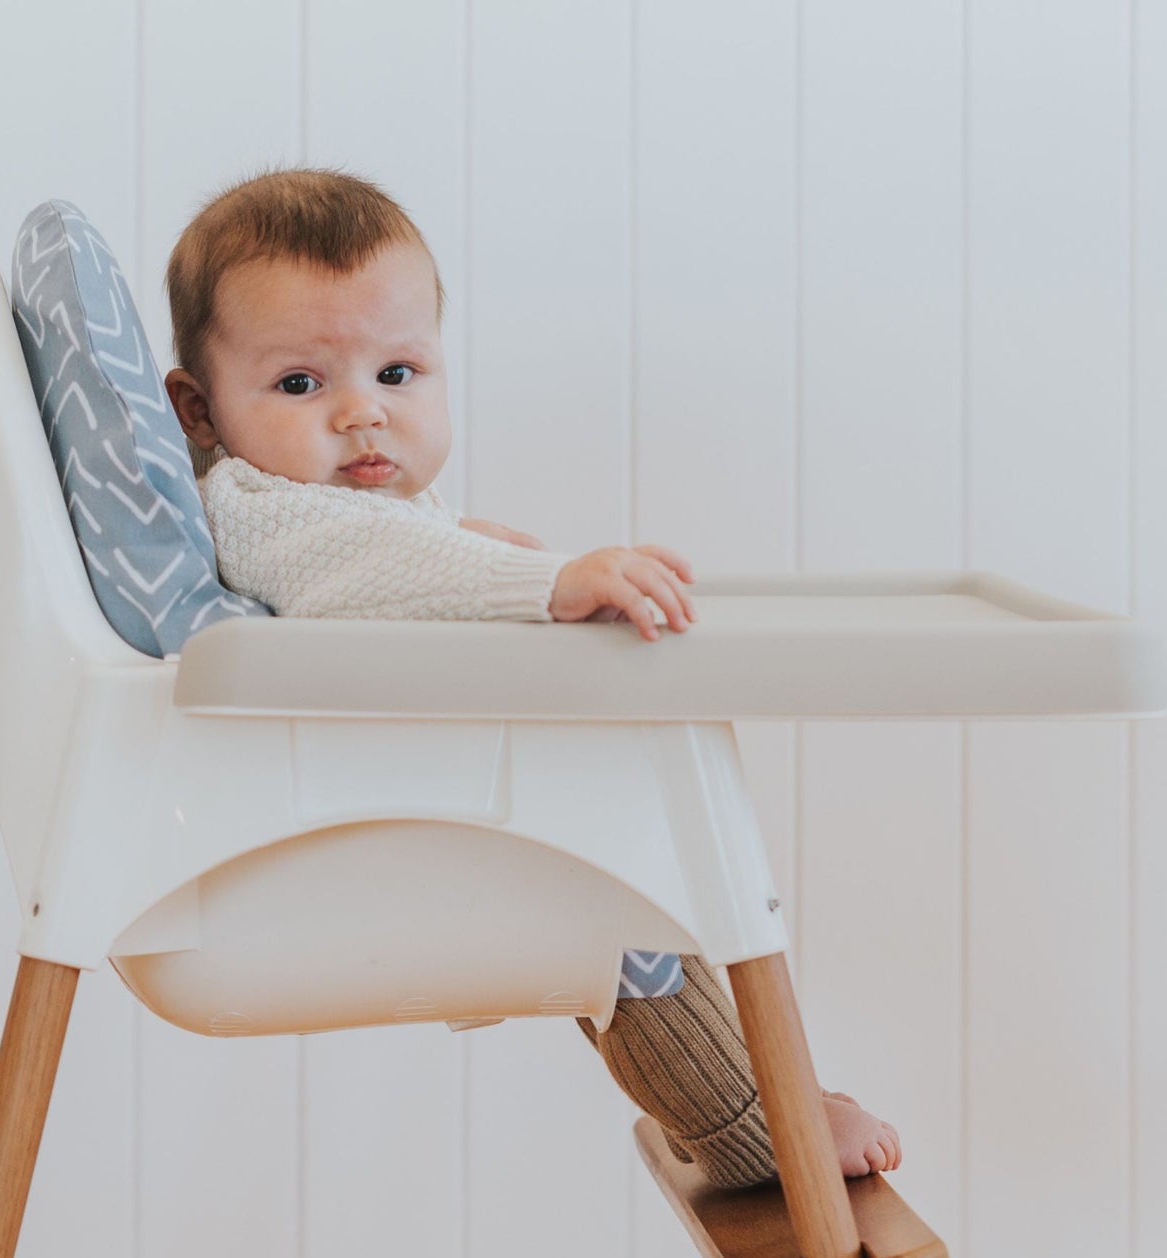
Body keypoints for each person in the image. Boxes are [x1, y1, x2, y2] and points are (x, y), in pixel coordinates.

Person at [163, 167, 900, 1186]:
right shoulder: (251, 501)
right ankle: (749, 1124)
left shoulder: (331, 503)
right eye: (300, 383)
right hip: (362, 840)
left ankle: (764, 1085)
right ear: (198, 410)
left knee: (649, 880)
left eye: (398, 373)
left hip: (409, 808)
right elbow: (363, 572)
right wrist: (543, 581)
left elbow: (382, 554)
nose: (360, 415)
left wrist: (471, 549)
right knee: (620, 914)